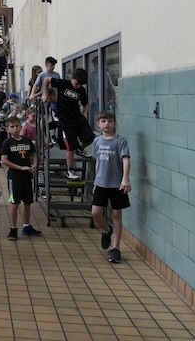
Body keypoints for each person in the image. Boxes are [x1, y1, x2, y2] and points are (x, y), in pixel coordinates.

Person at [90, 111, 131, 263]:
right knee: (95, 213)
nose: (107, 123)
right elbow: (98, 162)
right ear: (98, 124)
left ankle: (116, 248)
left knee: (116, 215)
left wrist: (125, 179)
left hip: (116, 184)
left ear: (114, 123)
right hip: (101, 183)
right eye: (103, 120)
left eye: (110, 121)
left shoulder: (120, 141)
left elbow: (126, 160)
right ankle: (107, 230)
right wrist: (95, 181)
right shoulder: (97, 141)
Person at [43, 68, 95, 180]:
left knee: (90, 137)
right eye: (77, 83)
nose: (78, 86)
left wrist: (84, 115)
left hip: (78, 117)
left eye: (81, 85)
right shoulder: (63, 83)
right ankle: (70, 170)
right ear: (72, 78)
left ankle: (80, 149)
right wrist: (46, 94)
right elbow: (46, 80)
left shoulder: (81, 90)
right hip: (65, 120)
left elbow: (85, 105)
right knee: (70, 146)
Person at [0, 116, 41, 240]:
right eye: (12, 127)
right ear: (8, 129)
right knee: (15, 202)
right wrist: (19, 167)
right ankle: (13, 229)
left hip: (27, 176)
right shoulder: (7, 143)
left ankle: (27, 226)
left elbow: (33, 154)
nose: (15, 129)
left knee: (27, 202)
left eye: (17, 126)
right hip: (15, 177)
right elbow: (4, 161)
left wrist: (34, 164)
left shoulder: (27, 141)